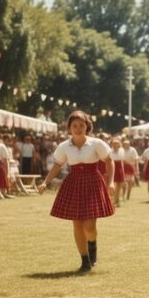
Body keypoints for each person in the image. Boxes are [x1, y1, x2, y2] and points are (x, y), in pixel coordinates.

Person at [38, 111, 115, 272]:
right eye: (74, 126)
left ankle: (92, 244)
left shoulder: (96, 143)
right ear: (69, 128)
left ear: (87, 126)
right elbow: (57, 165)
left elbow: (109, 161)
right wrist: (46, 182)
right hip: (74, 184)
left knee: (89, 226)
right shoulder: (64, 146)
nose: (78, 128)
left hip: (93, 183)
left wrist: (111, 182)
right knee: (77, 224)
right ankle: (85, 261)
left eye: (81, 125)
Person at [109, 137, 126, 206]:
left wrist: (123, 170)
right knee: (114, 185)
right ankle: (112, 200)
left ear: (119, 144)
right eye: (114, 143)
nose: (115, 144)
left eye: (117, 143)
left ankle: (117, 199)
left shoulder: (122, 150)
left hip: (119, 168)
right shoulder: (109, 151)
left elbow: (122, 161)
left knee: (120, 184)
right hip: (113, 167)